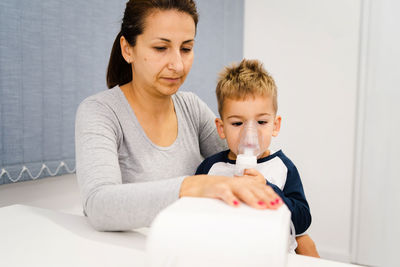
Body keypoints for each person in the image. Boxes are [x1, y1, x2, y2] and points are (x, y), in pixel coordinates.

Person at [75, 0, 282, 232]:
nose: (178, 65)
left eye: (186, 49)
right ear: (127, 49)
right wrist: (194, 186)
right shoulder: (100, 112)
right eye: (161, 48)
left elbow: (241, 166)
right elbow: (98, 205)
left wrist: (300, 236)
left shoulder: (191, 107)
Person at [195, 59, 320, 257]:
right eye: (237, 123)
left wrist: (268, 189)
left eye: (261, 122)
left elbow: (303, 220)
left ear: (275, 125)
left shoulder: (282, 169)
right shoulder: (212, 168)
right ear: (221, 128)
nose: (249, 133)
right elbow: (194, 215)